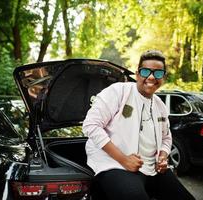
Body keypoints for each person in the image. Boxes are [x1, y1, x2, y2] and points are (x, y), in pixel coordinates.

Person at [83, 50, 195, 200]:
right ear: (137, 74)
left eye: (158, 73)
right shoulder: (118, 91)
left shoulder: (160, 106)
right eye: (145, 71)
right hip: (115, 165)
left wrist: (163, 156)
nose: (151, 77)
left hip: (153, 169)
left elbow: (167, 138)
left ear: (164, 77)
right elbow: (91, 125)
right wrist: (123, 159)